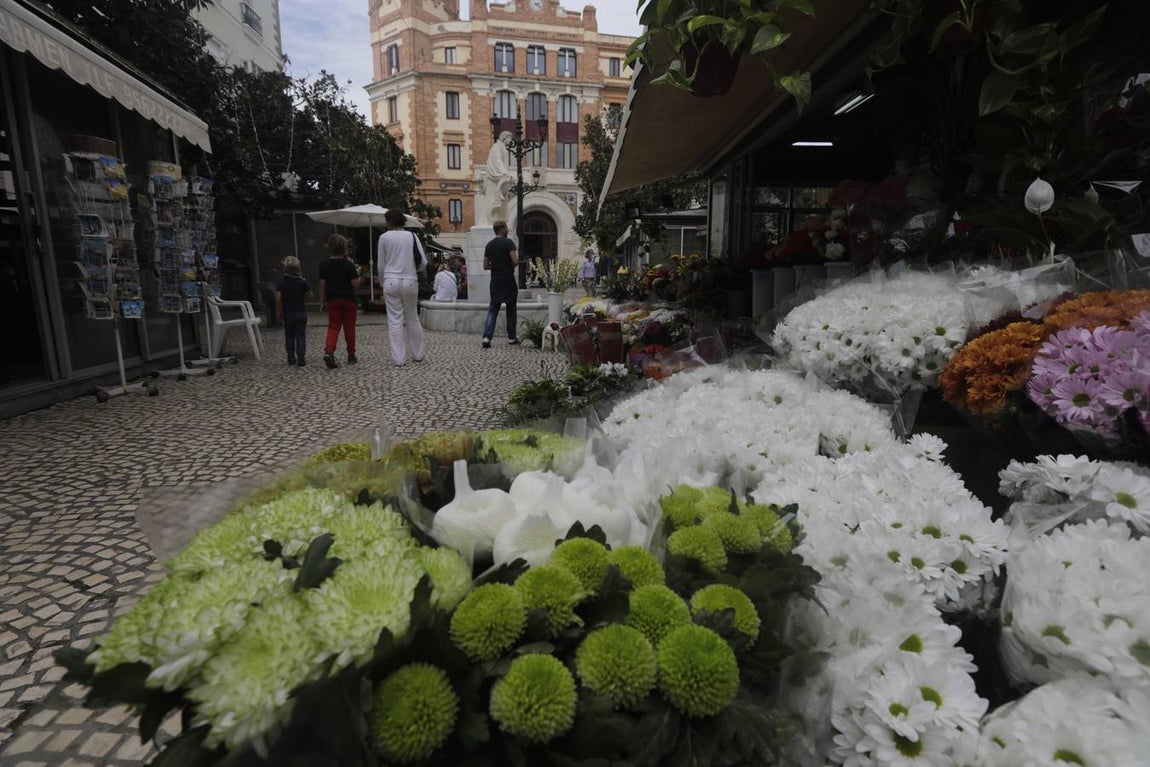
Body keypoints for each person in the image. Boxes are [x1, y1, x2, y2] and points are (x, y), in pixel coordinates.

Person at [377, 209, 428, 366]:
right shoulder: (412, 236)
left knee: (395, 321)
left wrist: (381, 282)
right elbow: (424, 262)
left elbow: (381, 265)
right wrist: (413, 271)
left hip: (391, 280)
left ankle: (399, 359)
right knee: (412, 317)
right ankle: (418, 354)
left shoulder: (384, 238)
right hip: (410, 280)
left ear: (389, 221)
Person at [318, 233, 361, 368]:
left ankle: (329, 351)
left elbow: (322, 284)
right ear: (344, 248)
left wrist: (322, 302)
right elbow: (355, 284)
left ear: (330, 247)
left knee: (333, 326)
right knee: (349, 328)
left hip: (333, 300)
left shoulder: (324, 265)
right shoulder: (349, 265)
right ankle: (351, 355)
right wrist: (358, 273)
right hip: (349, 301)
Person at [482, 220, 519, 347]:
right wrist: (508, 265)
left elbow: (485, 265)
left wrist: (496, 265)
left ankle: (487, 338)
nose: (507, 230)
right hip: (508, 279)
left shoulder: (489, 245)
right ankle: (512, 337)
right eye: (506, 228)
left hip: (495, 281)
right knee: (511, 309)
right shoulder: (508, 242)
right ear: (502, 229)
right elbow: (514, 260)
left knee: (493, 309)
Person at [275, 256, 312, 367]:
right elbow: (310, 296)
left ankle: (291, 358)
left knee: (289, 335)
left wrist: (279, 313)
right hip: (301, 313)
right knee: (300, 335)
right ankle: (301, 357)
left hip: (288, 314)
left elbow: (278, 300)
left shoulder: (281, 283)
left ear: (285, 269)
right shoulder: (302, 282)